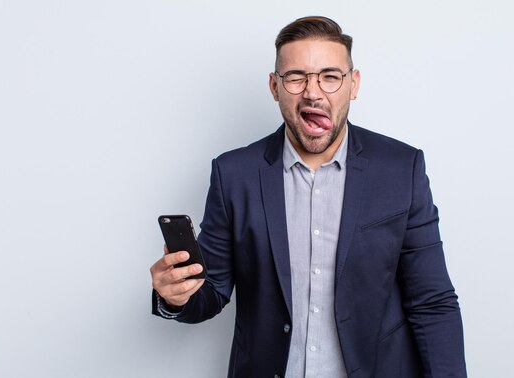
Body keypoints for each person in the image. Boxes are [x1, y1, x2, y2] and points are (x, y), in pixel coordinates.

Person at [150, 16, 467, 378]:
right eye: (296, 77)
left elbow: (432, 301)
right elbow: (211, 293)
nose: (313, 92)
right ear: (274, 86)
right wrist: (176, 297)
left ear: (354, 84)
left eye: (330, 77)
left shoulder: (400, 169)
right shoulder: (233, 174)